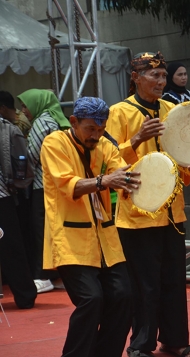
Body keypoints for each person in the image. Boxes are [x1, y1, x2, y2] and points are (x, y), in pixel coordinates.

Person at [107, 51, 190, 357]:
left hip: (172, 212)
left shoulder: (172, 109)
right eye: (154, 75)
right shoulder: (119, 112)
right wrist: (135, 140)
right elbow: (108, 162)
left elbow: (181, 154)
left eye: (163, 76)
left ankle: (175, 340)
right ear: (135, 78)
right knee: (144, 284)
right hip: (137, 214)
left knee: (174, 280)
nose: (161, 81)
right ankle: (141, 344)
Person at [40, 97, 135, 357]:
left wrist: (132, 181)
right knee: (91, 300)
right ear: (73, 122)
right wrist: (106, 180)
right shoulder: (54, 142)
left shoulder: (105, 144)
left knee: (124, 296)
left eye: (101, 129)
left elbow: (120, 172)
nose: (96, 135)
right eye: (90, 129)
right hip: (70, 238)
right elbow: (69, 184)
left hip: (105, 237)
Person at [18, 89, 71, 294]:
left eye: (25, 106)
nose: (24, 111)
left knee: (42, 231)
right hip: (61, 183)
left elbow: (31, 156)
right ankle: (61, 275)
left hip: (44, 186)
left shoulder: (42, 122)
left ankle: (44, 275)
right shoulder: (58, 118)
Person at [0, 117, 37, 309]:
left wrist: (18, 182)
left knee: (11, 246)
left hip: (3, 195)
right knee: (11, 246)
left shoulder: (7, 129)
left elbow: (22, 158)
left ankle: (25, 295)